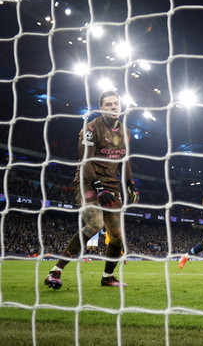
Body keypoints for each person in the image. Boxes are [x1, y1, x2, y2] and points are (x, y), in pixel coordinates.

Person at [44, 90, 139, 289]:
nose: (114, 107)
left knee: (117, 237)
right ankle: (55, 271)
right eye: (109, 104)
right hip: (88, 182)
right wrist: (98, 188)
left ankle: (107, 277)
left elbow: (125, 161)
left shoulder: (126, 132)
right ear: (101, 108)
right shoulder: (90, 129)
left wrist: (130, 184)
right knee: (95, 224)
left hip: (112, 186)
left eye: (116, 103)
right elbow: (85, 161)